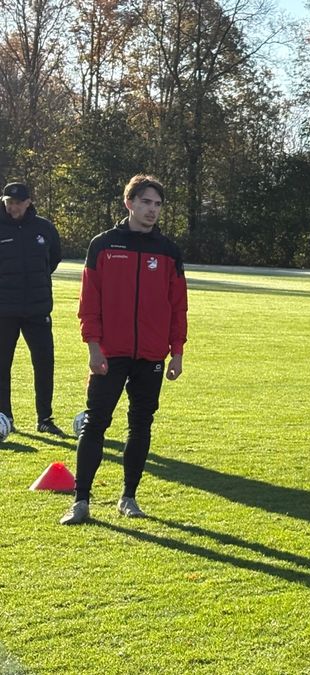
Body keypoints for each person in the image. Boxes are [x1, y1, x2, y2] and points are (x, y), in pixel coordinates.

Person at [60, 175, 188, 525]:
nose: (152, 210)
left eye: (158, 204)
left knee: (141, 425)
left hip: (151, 356)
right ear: (129, 203)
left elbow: (178, 306)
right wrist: (93, 348)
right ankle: (81, 500)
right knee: (95, 424)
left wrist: (176, 352)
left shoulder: (168, 251)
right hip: (109, 353)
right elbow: (89, 303)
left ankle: (128, 497)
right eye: (146, 202)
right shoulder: (103, 245)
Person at [0, 182, 65, 435]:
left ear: (28, 202)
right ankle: (5, 418)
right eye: (9, 202)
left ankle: (45, 419)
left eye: (17, 202)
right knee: (2, 365)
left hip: (37, 310)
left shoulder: (45, 228)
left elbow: (54, 258)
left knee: (44, 362)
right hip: (4, 310)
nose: (12, 207)